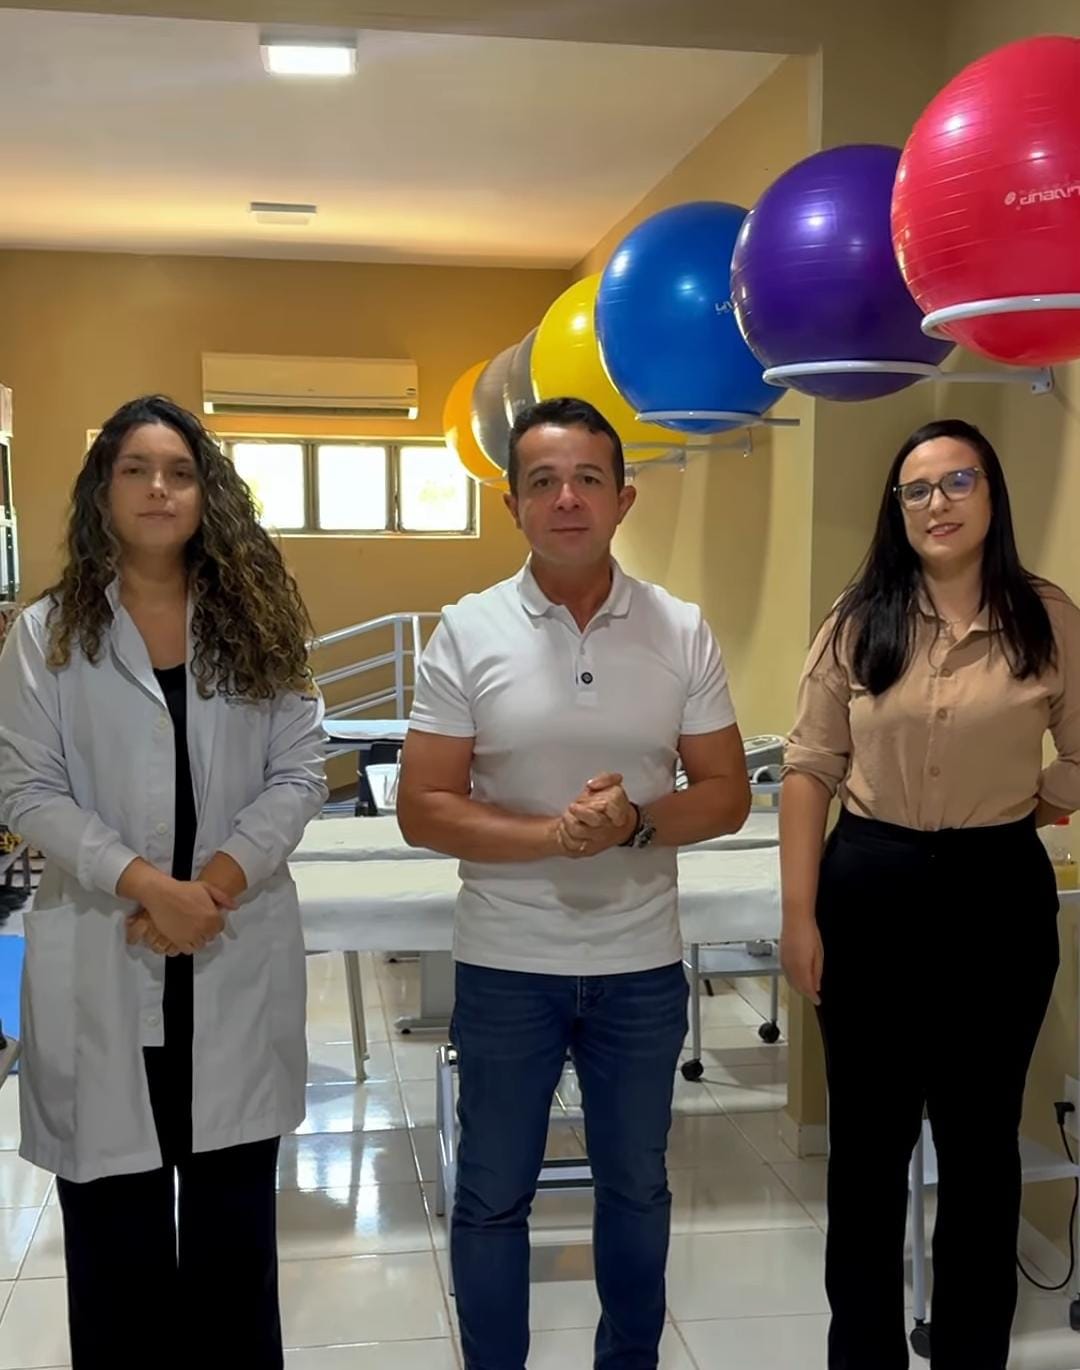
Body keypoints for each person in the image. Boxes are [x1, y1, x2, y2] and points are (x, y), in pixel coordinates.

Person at [397, 396, 750, 1370]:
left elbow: (726, 793)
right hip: (507, 963)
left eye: (588, 479)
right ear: (512, 503)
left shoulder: (679, 629)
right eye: (543, 482)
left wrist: (635, 820)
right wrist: (554, 833)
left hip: (640, 966)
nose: (566, 499)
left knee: (635, 1188)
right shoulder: (466, 631)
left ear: (623, 498)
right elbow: (423, 806)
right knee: (491, 1195)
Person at [0, 395, 328, 1369]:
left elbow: (300, 773)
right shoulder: (47, 634)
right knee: (115, 1259)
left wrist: (208, 889)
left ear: (206, 492)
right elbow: (27, 787)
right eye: (135, 469)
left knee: (234, 1255)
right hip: (106, 956)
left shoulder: (257, 624)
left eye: (180, 471)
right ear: (102, 491)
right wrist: (150, 884)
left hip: (229, 953)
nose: (158, 487)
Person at [780, 418, 1080, 1370]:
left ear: (992, 494)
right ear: (897, 508)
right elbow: (808, 769)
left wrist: (1033, 803)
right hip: (869, 889)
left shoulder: (1046, 616)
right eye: (917, 489)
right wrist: (797, 917)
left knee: (982, 1149)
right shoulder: (858, 618)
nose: (937, 503)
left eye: (958, 481)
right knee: (867, 1155)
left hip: (999, 898)